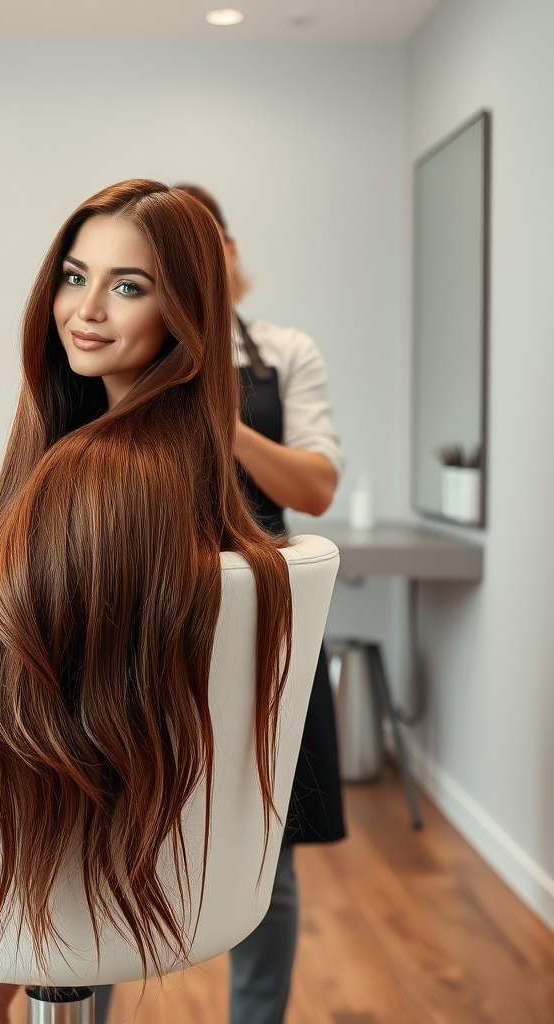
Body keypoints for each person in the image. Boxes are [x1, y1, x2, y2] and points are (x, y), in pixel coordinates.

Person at [0, 180, 297, 1024]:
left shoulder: (99, 470)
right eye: (77, 276)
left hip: (72, 808)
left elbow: (53, 697)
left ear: (184, 312)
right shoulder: (178, 462)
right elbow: (80, 665)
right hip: (116, 799)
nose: (88, 310)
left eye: (129, 286)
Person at [175, 183, 347, 1024]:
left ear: (232, 258)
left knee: (264, 854)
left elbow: (315, 486)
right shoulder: (127, 345)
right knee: (93, 837)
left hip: (262, 619)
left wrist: (220, 411)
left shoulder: (283, 351)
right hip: (150, 611)